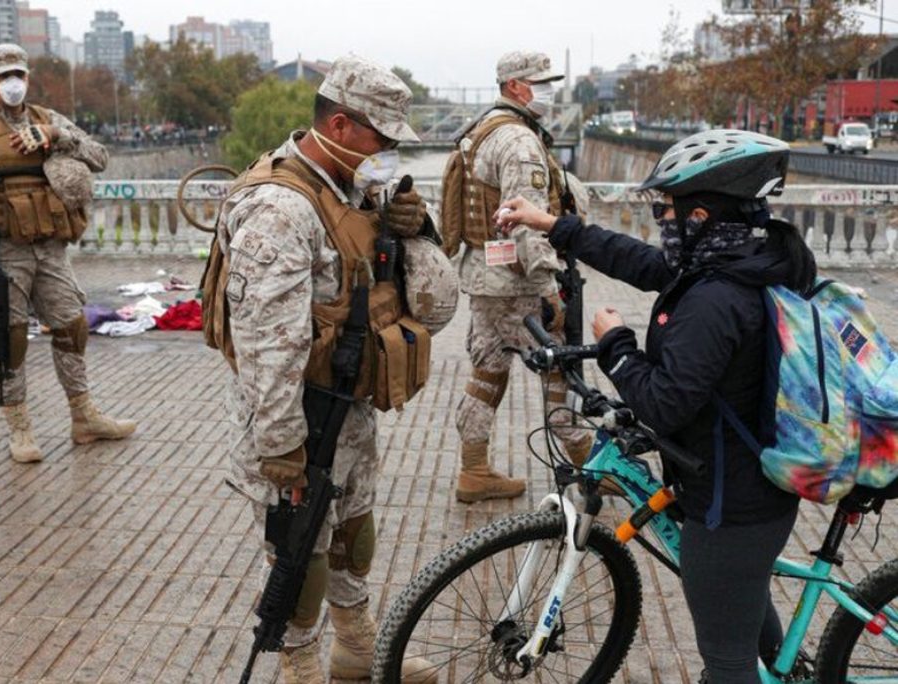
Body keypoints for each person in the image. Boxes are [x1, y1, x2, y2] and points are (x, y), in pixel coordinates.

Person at [496, 129, 815, 684]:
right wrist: (555, 226)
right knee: (743, 614)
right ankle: (792, 672)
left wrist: (617, 345)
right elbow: (641, 261)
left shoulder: (718, 300)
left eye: (668, 209)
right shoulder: (741, 258)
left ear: (700, 216)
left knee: (727, 662)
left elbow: (664, 405)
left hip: (732, 505)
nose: (661, 220)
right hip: (742, 485)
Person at [204, 55, 450, 683]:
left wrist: (419, 232)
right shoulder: (279, 209)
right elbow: (267, 346)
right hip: (297, 411)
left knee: (353, 533)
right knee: (300, 552)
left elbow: (438, 306)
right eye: (383, 137)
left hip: (350, 401)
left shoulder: (357, 191)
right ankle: (301, 663)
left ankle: (355, 644)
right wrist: (281, 445)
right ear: (340, 125)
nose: (391, 151)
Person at [0, 43, 136, 462]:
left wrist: (56, 137)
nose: (13, 84)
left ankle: (83, 416)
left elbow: (100, 156)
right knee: (10, 337)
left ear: (27, 77)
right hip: (2, 248)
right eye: (4, 76)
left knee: (71, 325)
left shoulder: (49, 119)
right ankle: (19, 426)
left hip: (49, 247)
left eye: (19, 75)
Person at [445, 51, 591, 503]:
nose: (547, 90)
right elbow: (526, 218)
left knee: (488, 371)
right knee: (560, 370)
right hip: (522, 282)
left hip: (487, 276)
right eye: (539, 82)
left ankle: (473, 469)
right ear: (514, 87)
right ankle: (591, 464)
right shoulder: (520, 141)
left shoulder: (479, 132)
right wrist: (549, 286)